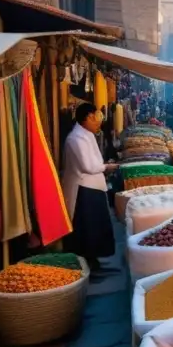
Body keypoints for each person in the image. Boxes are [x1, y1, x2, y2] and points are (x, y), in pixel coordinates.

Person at [62, 103, 117, 273]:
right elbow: (88, 166)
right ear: (86, 117)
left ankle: (94, 261)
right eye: (96, 118)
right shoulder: (75, 139)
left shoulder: (88, 135)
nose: (98, 122)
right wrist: (106, 167)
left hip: (94, 187)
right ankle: (86, 264)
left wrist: (103, 166)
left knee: (96, 226)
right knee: (87, 228)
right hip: (84, 190)